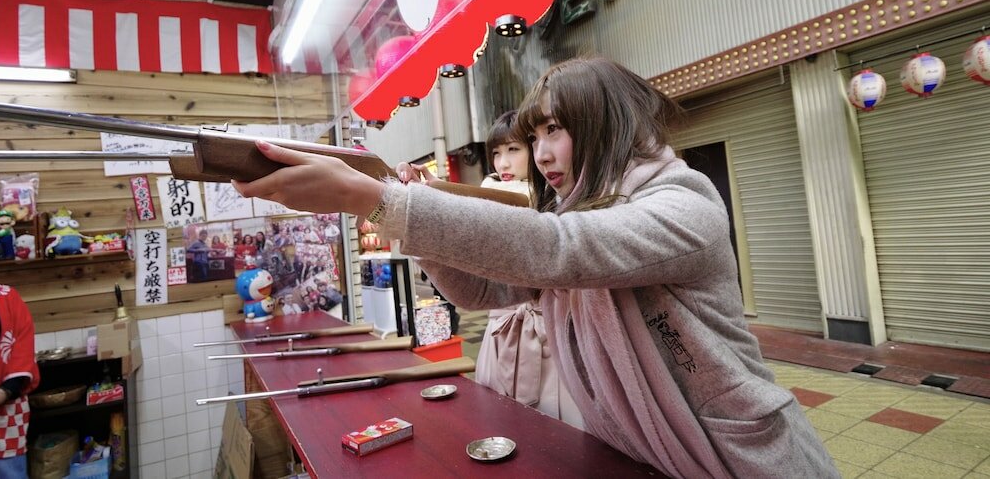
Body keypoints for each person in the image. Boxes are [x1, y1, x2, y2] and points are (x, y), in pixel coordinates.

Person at [232, 57, 838, 478]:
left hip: (737, 456)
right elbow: (480, 289)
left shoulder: (685, 204)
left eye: (555, 131)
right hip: (640, 451)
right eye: (534, 136)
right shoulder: (587, 208)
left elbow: (559, 249)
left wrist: (379, 202)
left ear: (604, 124)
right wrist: (398, 209)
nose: (542, 153)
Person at [473, 110, 583, 428]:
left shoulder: (562, 200)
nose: (503, 164)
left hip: (550, 337)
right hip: (503, 331)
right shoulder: (487, 199)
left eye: (513, 149)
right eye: (496, 153)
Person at [0, 284, 40, 479]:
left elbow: (22, 348)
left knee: (8, 473)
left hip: (4, 412)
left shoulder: (7, 297)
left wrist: (6, 391)